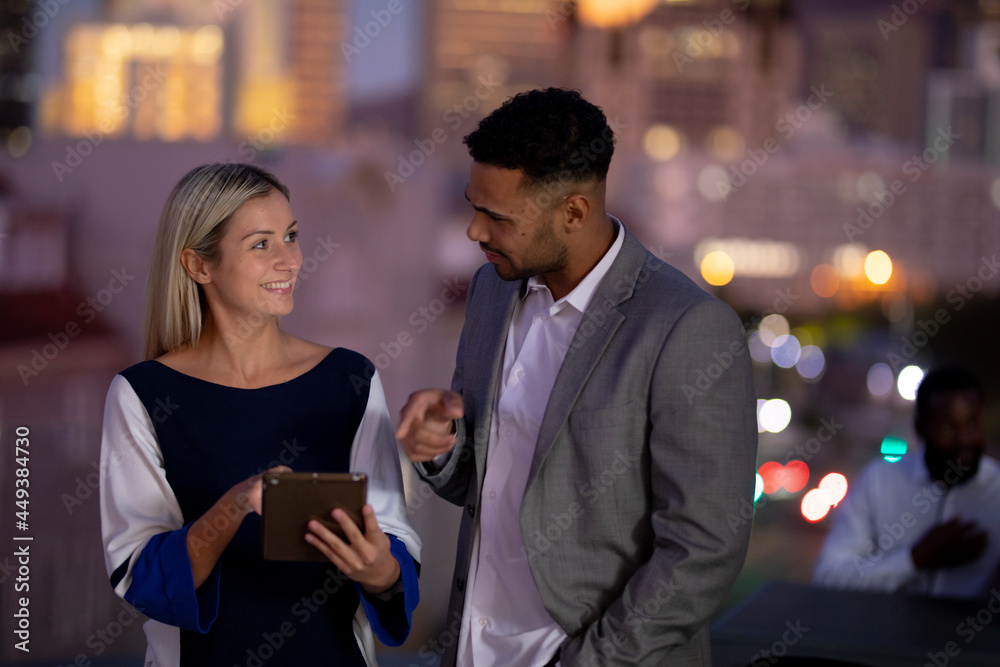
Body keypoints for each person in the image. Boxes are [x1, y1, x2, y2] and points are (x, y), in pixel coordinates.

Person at [396, 88, 758, 666]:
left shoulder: (687, 327)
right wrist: (440, 450)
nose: (474, 232)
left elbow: (704, 549)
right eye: (473, 206)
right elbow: (488, 485)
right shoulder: (492, 291)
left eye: (496, 217)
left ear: (574, 212)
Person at [99, 163, 420, 667]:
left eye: (291, 236)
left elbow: (393, 544)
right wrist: (236, 506)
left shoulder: (350, 380)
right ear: (198, 265)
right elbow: (140, 574)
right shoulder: (141, 393)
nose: (290, 260)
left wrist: (380, 569)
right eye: (261, 244)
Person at [813, 366, 1000, 598]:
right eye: (946, 427)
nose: (962, 439)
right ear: (920, 429)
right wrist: (915, 559)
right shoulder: (879, 482)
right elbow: (828, 576)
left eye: (971, 424)